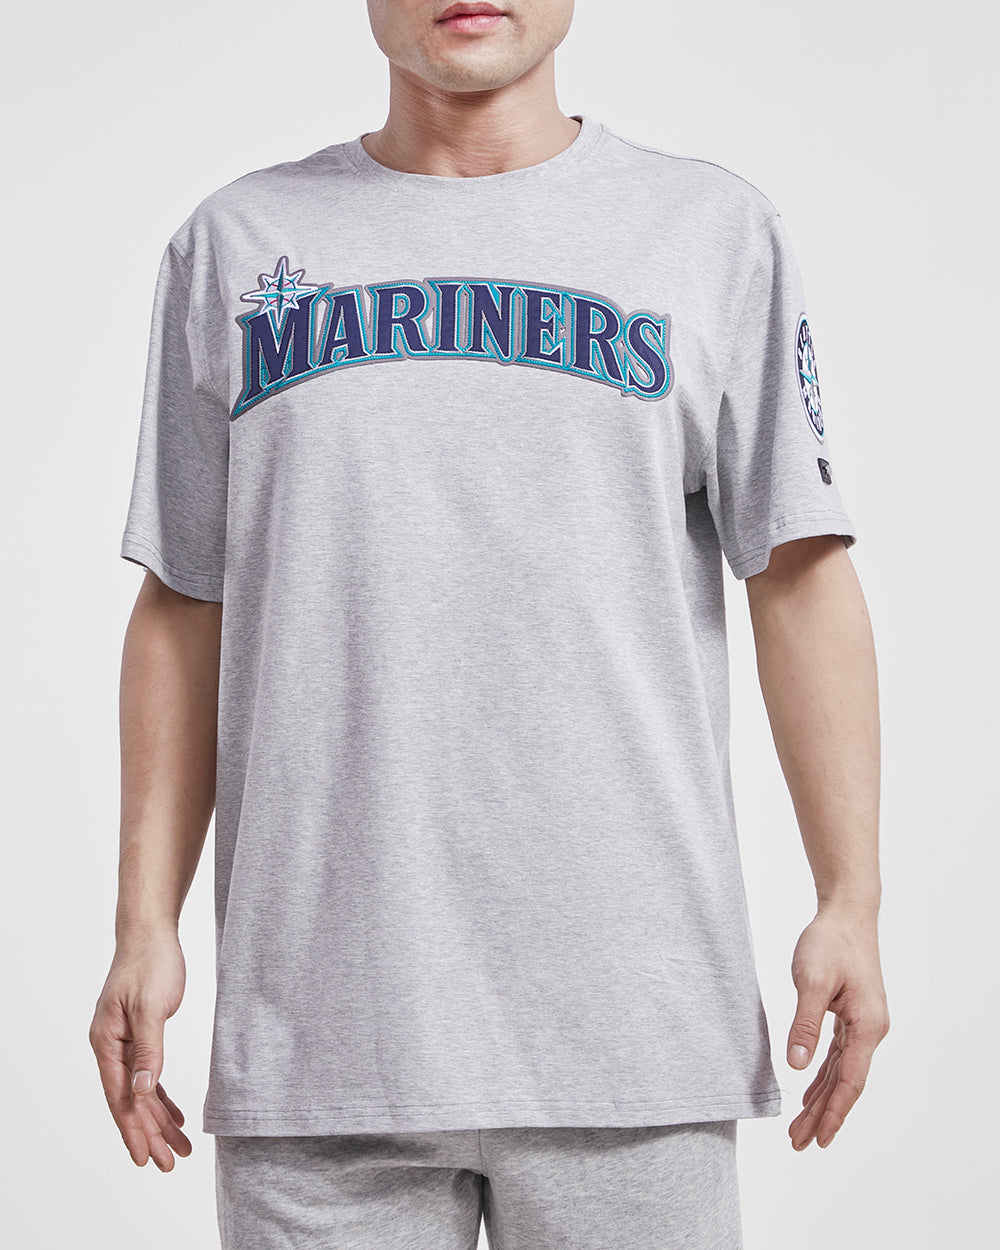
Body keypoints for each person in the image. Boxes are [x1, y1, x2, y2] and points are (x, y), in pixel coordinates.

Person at [89, 1, 890, 1245]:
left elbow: (797, 570)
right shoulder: (235, 244)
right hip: (321, 1032)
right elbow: (186, 597)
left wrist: (851, 896)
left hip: (630, 1024)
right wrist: (144, 921)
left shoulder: (710, 231)